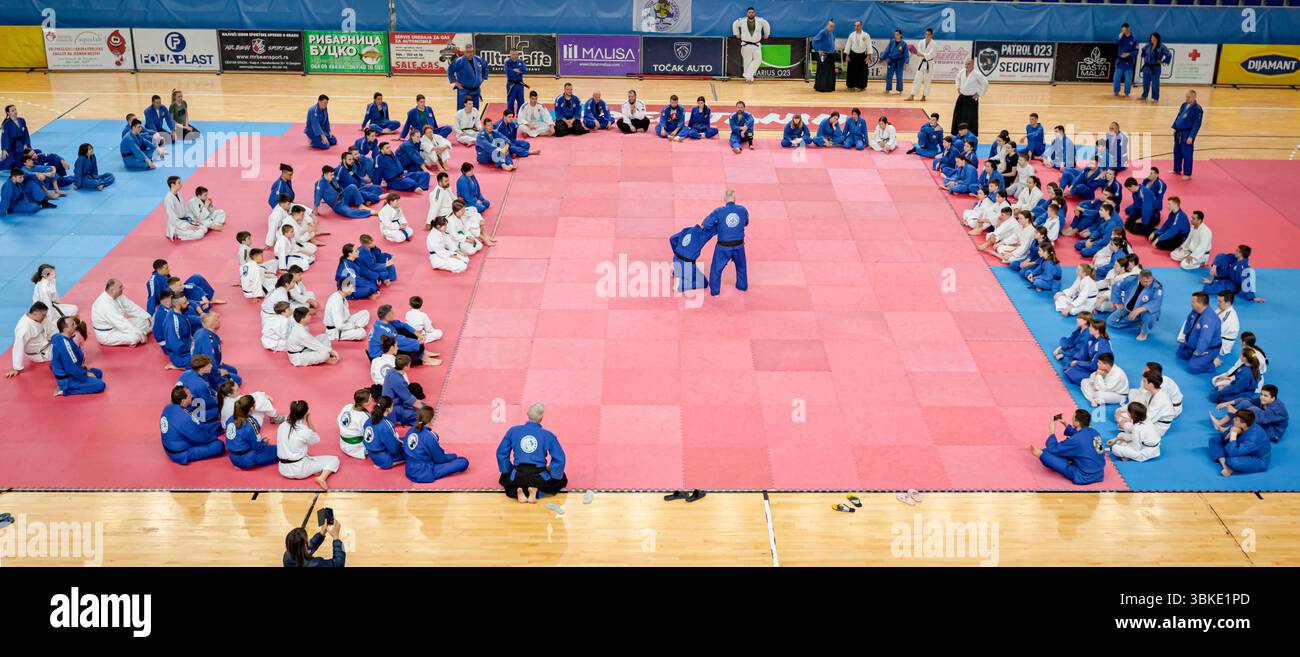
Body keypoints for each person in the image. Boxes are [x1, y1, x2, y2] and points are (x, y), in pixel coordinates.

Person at [497, 403, 568, 503]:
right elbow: (560, 459)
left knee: (505, 478)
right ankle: (536, 492)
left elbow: (501, 453)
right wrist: (551, 470)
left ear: (527, 414)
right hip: (539, 475)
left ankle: (517, 492)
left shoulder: (513, 431)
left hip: (517, 475)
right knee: (561, 479)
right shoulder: (548, 435)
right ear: (541, 418)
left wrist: (508, 469)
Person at [1032, 410, 1105, 486]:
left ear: (1077, 423)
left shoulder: (1077, 439)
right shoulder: (1094, 432)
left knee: (1047, 453)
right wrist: (1065, 424)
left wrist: (1051, 432)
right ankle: (1066, 458)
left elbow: (1053, 449)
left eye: (1073, 418)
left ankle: (1041, 454)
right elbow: (1080, 435)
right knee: (1076, 450)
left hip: (1083, 476)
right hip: (1099, 473)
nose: (1072, 419)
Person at [277, 401, 339, 489]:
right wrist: (309, 421)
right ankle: (321, 478)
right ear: (305, 413)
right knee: (334, 459)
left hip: (283, 470)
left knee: (302, 452)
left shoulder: (282, 426)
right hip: (299, 470)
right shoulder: (304, 431)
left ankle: (314, 469)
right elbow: (315, 439)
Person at [404, 406, 470, 484]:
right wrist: (453, 456)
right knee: (463, 462)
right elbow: (440, 459)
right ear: (431, 419)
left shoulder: (410, 431)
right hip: (424, 472)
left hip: (409, 469)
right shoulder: (428, 436)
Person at [701, 190, 749, 297]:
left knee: (716, 269)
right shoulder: (742, 210)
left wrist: (718, 226)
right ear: (735, 198)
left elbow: (706, 224)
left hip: (723, 246)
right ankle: (742, 286)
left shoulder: (718, 211)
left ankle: (715, 291)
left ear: (724, 199)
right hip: (739, 245)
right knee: (741, 267)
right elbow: (746, 223)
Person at [160, 386, 224, 465]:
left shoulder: (168, 407)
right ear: (183, 401)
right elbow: (201, 437)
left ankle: (221, 426)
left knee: (211, 426)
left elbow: (197, 426)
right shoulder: (184, 418)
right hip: (180, 453)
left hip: (173, 444)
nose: (192, 396)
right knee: (218, 446)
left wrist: (218, 426)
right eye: (189, 396)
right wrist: (213, 438)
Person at [1213, 385, 1288, 444]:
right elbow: (1248, 400)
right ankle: (1220, 423)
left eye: (1265, 396)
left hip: (1273, 432)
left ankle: (1231, 429)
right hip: (1265, 422)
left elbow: (1261, 419)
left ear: (1273, 398)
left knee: (1253, 410)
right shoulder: (1265, 400)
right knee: (1245, 403)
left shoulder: (1277, 409)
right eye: (1261, 394)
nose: (1262, 397)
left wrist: (1236, 411)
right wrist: (1227, 403)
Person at [49, 317, 104, 397]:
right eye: (73, 324)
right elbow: (71, 368)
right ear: (65, 328)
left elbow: (72, 359)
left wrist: (83, 367)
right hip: (67, 378)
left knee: (98, 373)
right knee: (100, 385)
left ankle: (81, 383)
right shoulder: (64, 344)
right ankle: (64, 391)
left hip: (71, 370)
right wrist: (85, 374)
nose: (75, 326)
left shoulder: (60, 336)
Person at [1208, 408, 1270, 477]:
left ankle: (1228, 465)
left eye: (1236, 419)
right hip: (1243, 449)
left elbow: (1232, 453)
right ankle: (1225, 466)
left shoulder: (1254, 437)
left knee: (1232, 461)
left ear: (1243, 424)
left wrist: (1233, 434)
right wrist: (1230, 432)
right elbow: (1223, 437)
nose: (1233, 419)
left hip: (1257, 459)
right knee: (1214, 440)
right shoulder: (1244, 424)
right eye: (1235, 417)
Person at [90, 278, 150, 346]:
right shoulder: (105, 304)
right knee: (135, 337)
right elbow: (120, 323)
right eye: (120, 287)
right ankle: (138, 335)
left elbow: (131, 307)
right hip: (108, 334)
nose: (123, 288)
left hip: (118, 326)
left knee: (144, 321)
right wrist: (139, 333)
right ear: (112, 290)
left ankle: (140, 334)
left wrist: (147, 316)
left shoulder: (117, 295)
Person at [224, 395, 278, 470]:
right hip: (247, 459)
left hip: (232, 457)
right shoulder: (251, 424)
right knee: (279, 450)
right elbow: (256, 446)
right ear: (251, 408)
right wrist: (264, 443)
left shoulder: (231, 419)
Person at [1107, 269, 1163, 341]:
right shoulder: (1131, 279)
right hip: (1128, 308)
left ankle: (1144, 332)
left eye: (1150, 281)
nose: (1148, 284)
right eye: (1145, 281)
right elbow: (1116, 286)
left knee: (1150, 315)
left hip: (1145, 311)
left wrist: (1138, 310)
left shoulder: (1157, 287)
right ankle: (1138, 322)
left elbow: (1156, 302)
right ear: (1139, 278)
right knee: (1111, 322)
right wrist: (1118, 302)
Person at [1176, 291, 1221, 374]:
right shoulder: (1195, 311)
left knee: (1192, 367)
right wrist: (1186, 339)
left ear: (1200, 303)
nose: (1191, 303)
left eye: (1193, 301)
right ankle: (1197, 354)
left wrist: (1199, 350)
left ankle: (1213, 363)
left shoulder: (1209, 318)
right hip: (1194, 344)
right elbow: (1189, 322)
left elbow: (1205, 338)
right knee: (1180, 353)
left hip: (1208, 348)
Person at [30, 264, 77, 335]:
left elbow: (55, 299)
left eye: (54, 273)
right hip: (42, 311)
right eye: (52, 274)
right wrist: (52, 320)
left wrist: (59, 307)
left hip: (52, 305)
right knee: (54, 326)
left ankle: (55, 321)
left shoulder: (50, 281)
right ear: (45, 275)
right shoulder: (44, 288)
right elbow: (47, 305)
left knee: (74, 308)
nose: (54, 275)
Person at [8, 303, 51, 378]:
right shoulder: (24, 328)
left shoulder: (34, 317)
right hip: (42, 353)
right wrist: (17, 368)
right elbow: (18, 347)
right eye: (43, 315)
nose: (45, 317)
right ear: (35, 313)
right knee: (69, 347)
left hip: (46, 342)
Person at [669, 221, 714, 293]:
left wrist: (677, 252)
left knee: (683, 264)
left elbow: (672, 239)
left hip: (676, 259)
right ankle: (680, 285)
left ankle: (677, 272)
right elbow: (715, 231)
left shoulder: (687, 230)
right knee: (704, 283)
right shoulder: (703, 235)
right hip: (687, 265)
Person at [362, 395, 406, 469]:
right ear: (388, 409)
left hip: (371, 453)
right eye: (392, 406)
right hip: (384, 458)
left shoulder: (369, 420)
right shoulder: (385, 424)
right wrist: (402, 445)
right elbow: (394, 448)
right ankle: (388, 463)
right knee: (412, 451)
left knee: (402, 439)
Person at [324, 278, 371, 343]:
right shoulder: (336, 301)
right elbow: (339, 325)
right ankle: (356, 328)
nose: (353, 290)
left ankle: (356, 327)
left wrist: (351, 324)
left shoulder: (341, 297)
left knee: (365, 313)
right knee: (362, 333)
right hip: (336, 331)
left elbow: (346, 316)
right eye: (351, 287)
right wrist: (352, 326)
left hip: (345, 322)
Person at [732, 7, 771, 84]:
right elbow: (734, 24)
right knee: (747, 61)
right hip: (746, 44)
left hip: (756, 44)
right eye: (749, 12)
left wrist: (766, 33)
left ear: (754, 13)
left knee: (758, 60)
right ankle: (749, 78)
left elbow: (766, 24)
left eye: (752, 12)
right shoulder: (742, 21)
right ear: (747, 13)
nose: (751, 13)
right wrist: (737, 34)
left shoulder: (760, 20)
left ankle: (747, 75)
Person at [163, 176, 208, 241]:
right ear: (172, 185)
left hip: (184, 221)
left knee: (204, 227)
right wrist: (188, 226)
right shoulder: (168, 199)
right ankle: (179, 235)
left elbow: (185, 210)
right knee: (200, 233)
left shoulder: (178, 194)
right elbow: (173, 219)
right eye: (179, 183)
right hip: (177, 226)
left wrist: (192, 220)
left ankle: (187, 232)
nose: (181, 185)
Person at [382, 354, 422, 427]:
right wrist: (424, 409)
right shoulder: (399, 381)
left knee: (419, 404)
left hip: (388, 403)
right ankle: (399, 419)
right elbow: (409, 399)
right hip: (392, 408)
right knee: (420, 415)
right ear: (406, 366)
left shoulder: (391, 371)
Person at [447, 43, 489, 110]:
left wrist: (483, 78)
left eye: (472, 51)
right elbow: (450, 70)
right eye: (468, 52)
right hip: (464, 91)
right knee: (462, 111)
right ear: (465, 52)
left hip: (476, 90)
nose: (471, 53)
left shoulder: (478, 59)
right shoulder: (459, 61)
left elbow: (485, 67)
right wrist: (455, 82)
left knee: (475, 111)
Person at [1172, 90, 1203, 180]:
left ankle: (1187, 173)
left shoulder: (1197, 108)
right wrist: (1175, 128)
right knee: (1177, 151)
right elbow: (1178, 117)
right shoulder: (1184, 105)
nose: (1187, 98)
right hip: (1179, 132)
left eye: (1189, 97)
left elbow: (1197, 124)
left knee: (1187, 154)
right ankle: (1177, 169)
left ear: (1194, 97)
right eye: (1186, 97)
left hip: (1187, 133)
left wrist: (1191, 136)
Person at [952, 58, 988, 136]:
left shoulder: (977, 74)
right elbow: (957, 79)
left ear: (972, 65)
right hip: (962, 97)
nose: (967, 65)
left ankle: (970, 133)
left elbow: (985, 83)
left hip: (971, 98)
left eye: (969, 64)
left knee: (970, 117)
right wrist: (958, 87)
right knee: (959, 116)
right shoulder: (962, 71)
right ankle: (957, 132)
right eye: (966, 64)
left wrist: (979, 94)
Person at [338, 388, 371, 460]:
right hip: (356, 448)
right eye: (370, 398)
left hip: (343, 443)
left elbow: (339, 419)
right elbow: (368, 433)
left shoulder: (347, 406)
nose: (371, 399)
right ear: (365, 403)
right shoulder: (363, 416)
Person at [1138, 33, 1171, 102]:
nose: (1151, 39)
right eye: (1151, 38)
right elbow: (1143, 51)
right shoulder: (1148, 46)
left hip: (1155, 67)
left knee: (1155, 83)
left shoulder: (1161, 47)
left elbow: (1169, 54)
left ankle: (1155, 98)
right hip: (1146, 67)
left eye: (1153, 38)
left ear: (1157, 38)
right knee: (1145, 82)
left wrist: (1163, 61)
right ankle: (1144, 95)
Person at [907, 29, 937, 101]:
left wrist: (922, 54)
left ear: (931, 35)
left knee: (927, 81)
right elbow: (919, 52)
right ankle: (912, 95)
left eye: (928, 34)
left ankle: (924, 96)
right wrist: (921, 54)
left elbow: (931, 54)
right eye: (926, 34)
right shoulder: (921, 42)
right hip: (921, 63)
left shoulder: (934, 44)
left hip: (929, 64)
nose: (927, 36)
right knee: (917, 79)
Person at [811, 20, 837, 93]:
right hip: (824, 55)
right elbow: (814, 41)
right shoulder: (823, 32)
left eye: (833, 26)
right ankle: (821, 87)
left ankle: (829, 87)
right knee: (823, 71)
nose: (832, 28)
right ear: (827, 25)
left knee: (830, 72)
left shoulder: (831, 33)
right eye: (830, 26)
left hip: (830, 55)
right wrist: (818, 50)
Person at [844, 22, 871, 91]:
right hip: (853, 55)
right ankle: (851, 85)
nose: (856, 27)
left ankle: (862, 86)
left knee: (862, 71)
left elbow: (869, 46)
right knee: (852, 71)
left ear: (861, 26)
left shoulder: (866, 35)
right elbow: (848, 45)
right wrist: (847, 55)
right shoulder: (851, 35)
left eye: (858, 26)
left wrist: (868, 56)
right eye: (855, 26)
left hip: (862, 55)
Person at [1113, 23, 1138, 97]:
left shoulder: (1134, 39)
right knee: (1116, 78)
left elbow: (1136, 51)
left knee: (1128, 80)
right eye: (1122, 30)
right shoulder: (1121, 36)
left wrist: (1128, 54)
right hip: (1120, 62)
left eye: (1125, 30)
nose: (1124, 31)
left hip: (1128, 62)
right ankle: (1116, 91)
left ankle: (1127, 93)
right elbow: (1115, 42)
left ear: (1128, 28)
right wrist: (1120, 35)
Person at [881, 30, 909, 95]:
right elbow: (886, 51)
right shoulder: (892, 42)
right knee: (889, 76)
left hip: (899, 62)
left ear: (900, 35)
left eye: (897, 35)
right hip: (891, 61)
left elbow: (906, 54)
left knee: (899, 76)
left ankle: (900, 90)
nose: (896, 36)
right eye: (895, 34)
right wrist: (882, 58)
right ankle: (888, 89)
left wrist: (905, 63)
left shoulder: (903, 44)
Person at [505, 48, 528, 117]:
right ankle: (510, 117)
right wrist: (516, 71)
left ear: (518, 54)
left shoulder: (521, 62)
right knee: (510, 103)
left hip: (520, 85)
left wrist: (518, 71)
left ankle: (520, 116)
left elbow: (524, 69)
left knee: (521, 102)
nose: (515, 56)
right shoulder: (507, 62)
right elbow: (508, 72)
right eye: (513, 54)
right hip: (511, 85)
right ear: (510, 55)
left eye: (516, 54)